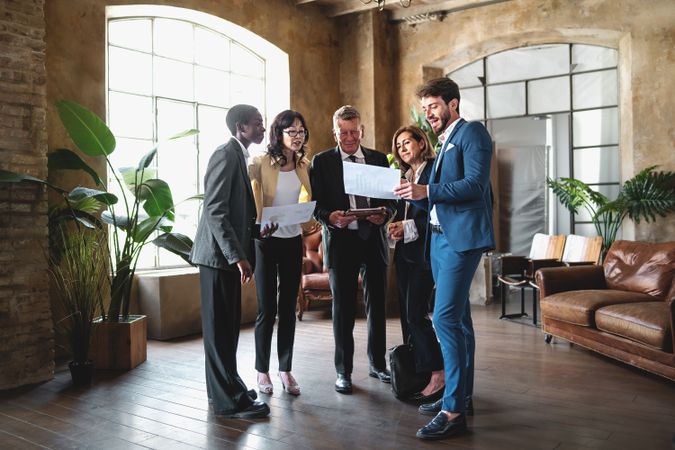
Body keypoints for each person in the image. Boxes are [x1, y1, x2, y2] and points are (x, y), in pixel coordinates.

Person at [394, 78, 495, 440]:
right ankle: (461, 396)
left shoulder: (473, 134)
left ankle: (452, 412)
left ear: (453, 103)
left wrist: (428, 189)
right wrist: (413, 194)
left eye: (433, 106)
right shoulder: (444, 142)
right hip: (437, 241)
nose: (429, 114)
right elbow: (436, 199)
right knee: (461, 322)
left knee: (445, 318)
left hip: (459, 242)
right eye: (425, 109)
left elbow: (475, 185)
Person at [190, 104, 275, 419]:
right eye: (257, 123)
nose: (262, 128)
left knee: (227, 330)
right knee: (219, 332)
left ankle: (231, 389)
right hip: (217, 258)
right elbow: (215, 210)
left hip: (225, 257)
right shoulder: (225, 154)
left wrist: (257, 229)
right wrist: (237, 256)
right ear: (241, 127)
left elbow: (236, 213)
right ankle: (228, 402)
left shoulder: (239, 156)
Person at [310, 105, 396, 394]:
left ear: (362, 130)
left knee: (377, 307)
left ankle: (378, 364)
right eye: (343, 132)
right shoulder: (321, 163)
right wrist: (330, 217)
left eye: (353, 131)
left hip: (374, 241)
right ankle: (343, 372)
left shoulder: (379, 159)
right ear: (334, 132)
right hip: (341, 244)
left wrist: (385, 214)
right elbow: (316, 206)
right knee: (343, 310)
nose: (349, 137)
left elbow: (392, 201)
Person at [248, 110, 312, 397]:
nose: (297, 136)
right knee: (267, 309)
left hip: (292, 239)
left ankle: (285, 368)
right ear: (279, 134)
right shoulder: (261, 162)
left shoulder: (305, 165)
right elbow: (246, 193)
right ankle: (262, 370)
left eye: (301, 131)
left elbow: (311, 201)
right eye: (291, 131)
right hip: (265, 241)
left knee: (288, 307)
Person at [387, 125, 445, 402]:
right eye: (398, 146)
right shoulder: (405, 176)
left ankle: (437, 373)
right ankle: (419, 371)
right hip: (405, 255)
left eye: (407, 142)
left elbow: (439, 214)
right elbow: (401, 214)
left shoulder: (434, 170)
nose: (402, 148)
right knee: (408, 319)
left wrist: (407, 226)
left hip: (426, 254)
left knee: (416, 315)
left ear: (422, 143)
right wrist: (393, 226)